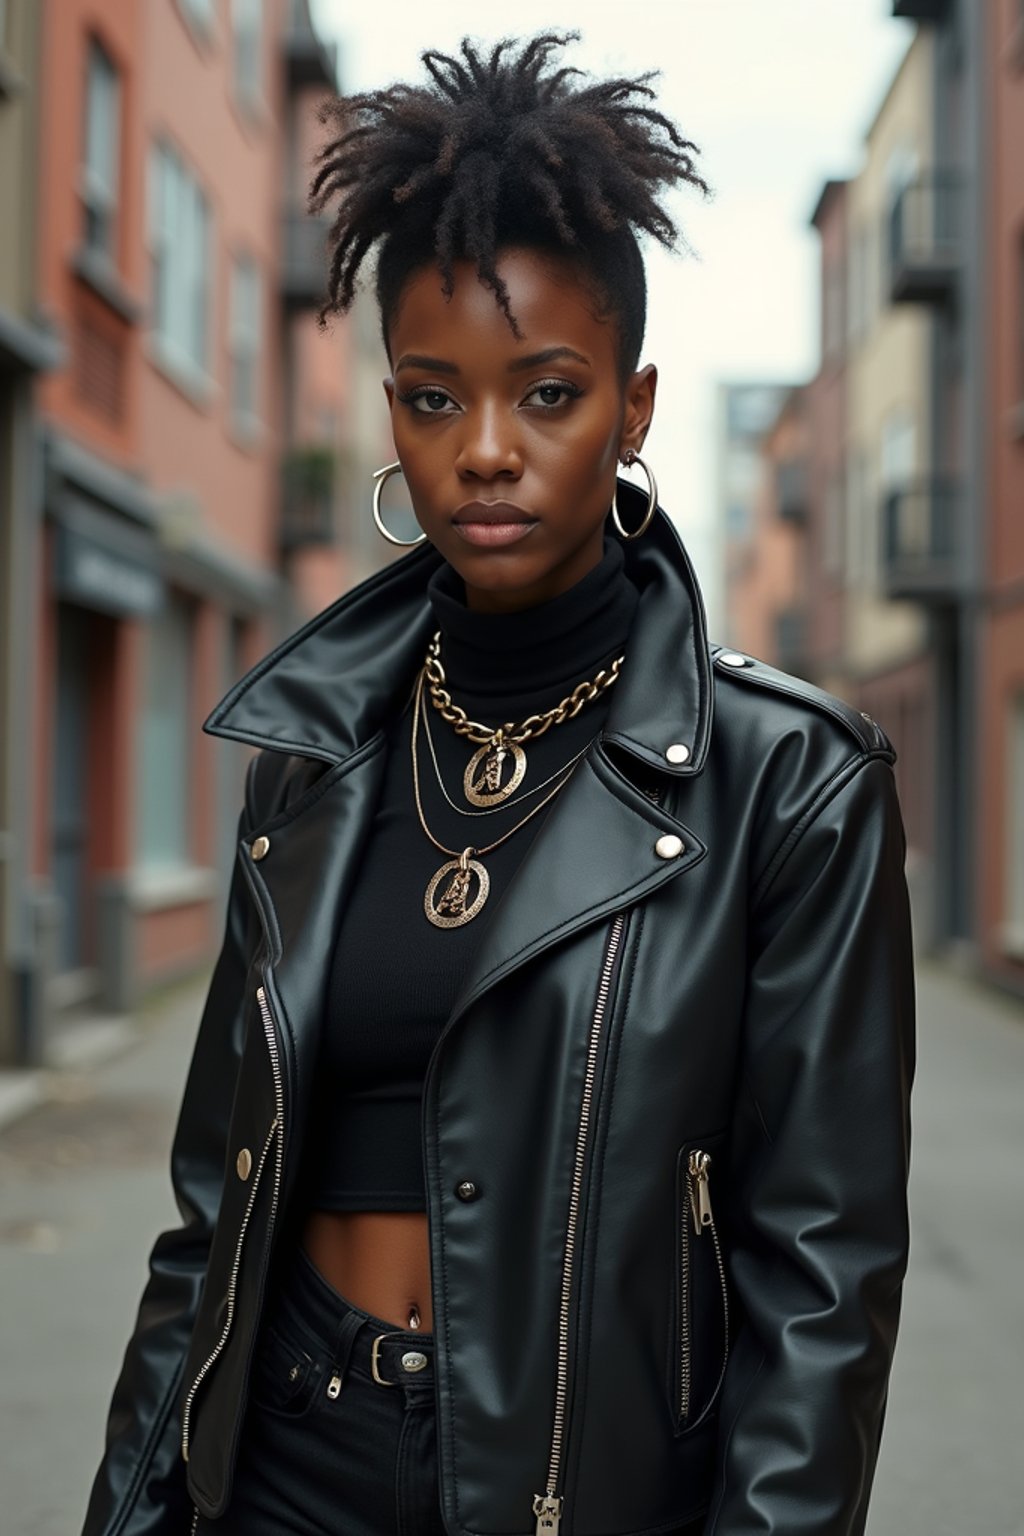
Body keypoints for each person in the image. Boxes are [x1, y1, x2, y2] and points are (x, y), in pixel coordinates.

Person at [82, 31, 915, 1536]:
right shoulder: (315, 753)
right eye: (430, 396)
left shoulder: (788, 785)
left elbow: (823, 1281)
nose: (483, 453)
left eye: (545, 394)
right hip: (283, 1456)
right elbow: (214, 1214)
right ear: (391, 406)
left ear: (635, 405)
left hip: (569, 1487)